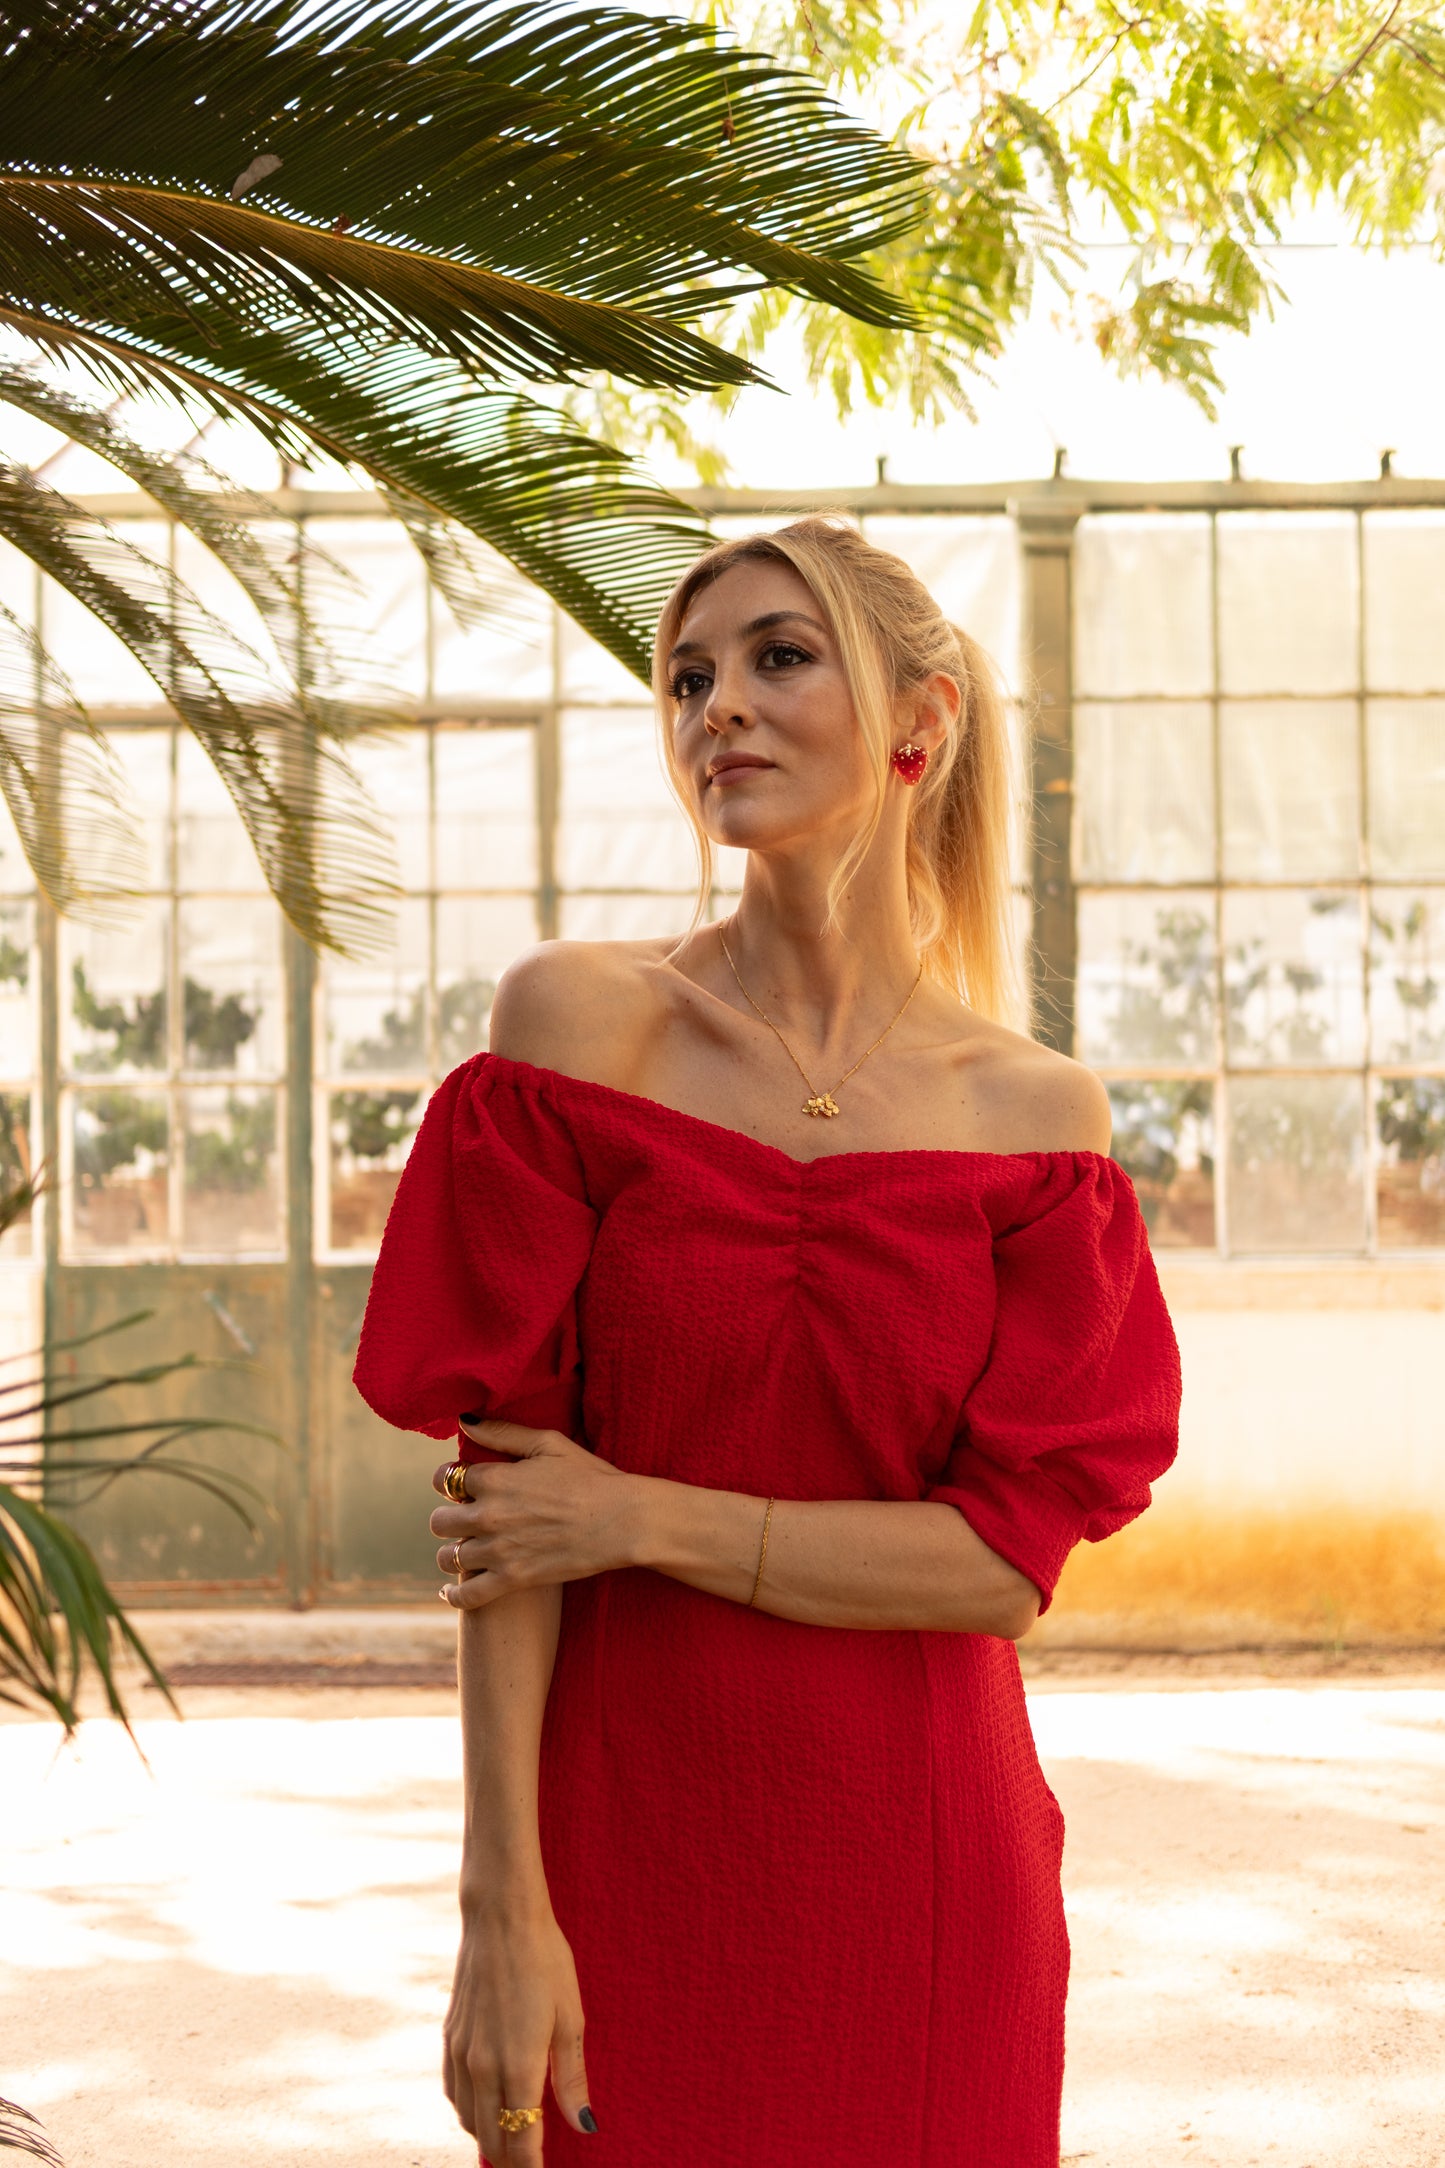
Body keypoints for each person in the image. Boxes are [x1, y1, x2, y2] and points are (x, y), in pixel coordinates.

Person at [353, 516, 1181, 2168]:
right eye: (686, 677)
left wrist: (644, 1517)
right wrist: (499, 1907)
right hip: (623, 1848)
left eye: (775, 657)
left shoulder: (1034, 1118)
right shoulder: (575, 1032)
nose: (713, 705)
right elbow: (508, 1515)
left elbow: (998, 1568)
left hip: (929, 1874)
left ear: (915, 726)